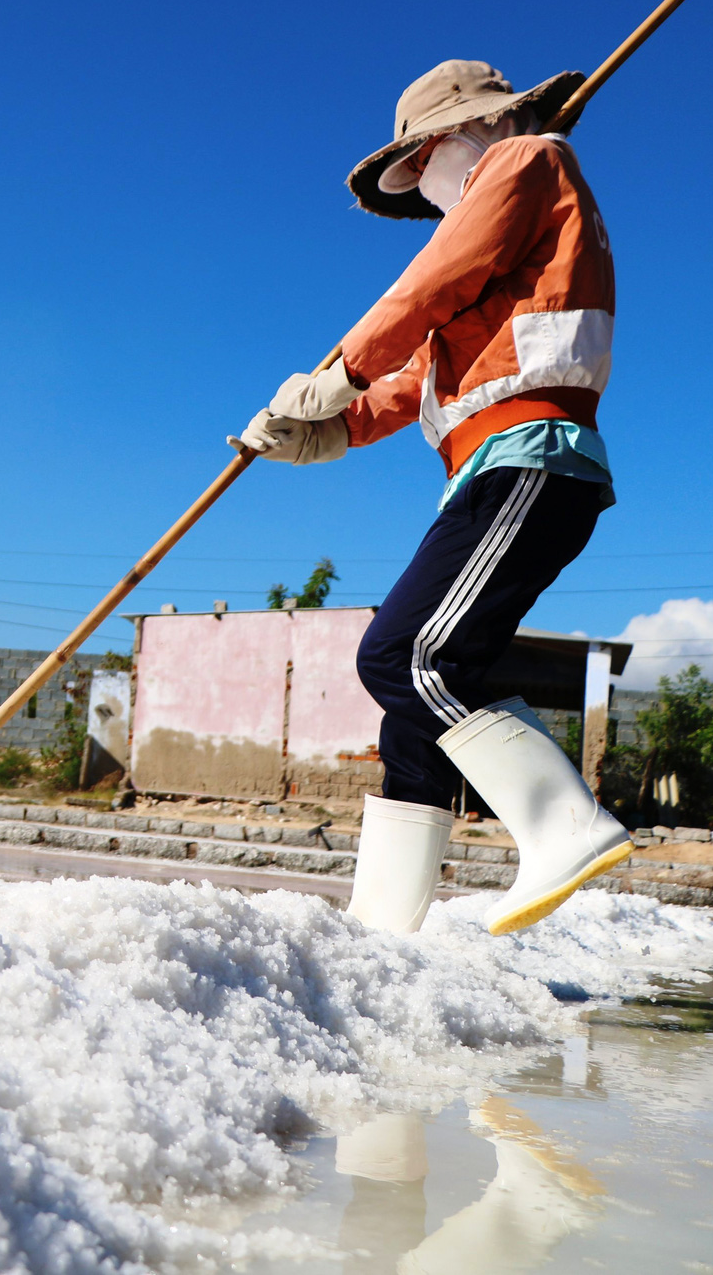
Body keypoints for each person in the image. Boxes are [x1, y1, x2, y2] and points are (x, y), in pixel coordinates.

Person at [234, 60, 629, 936]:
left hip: (533, 456)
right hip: (489, 470)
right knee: (413, 700)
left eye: (426, 160)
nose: (426, 186)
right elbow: (412, 375)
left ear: (472, 131)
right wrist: (324, 427)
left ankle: (566, 823)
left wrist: (336, 369)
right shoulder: (491, 245)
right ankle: (387, 926)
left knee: (406, 659)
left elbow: (431, 281)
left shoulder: (528, 160)